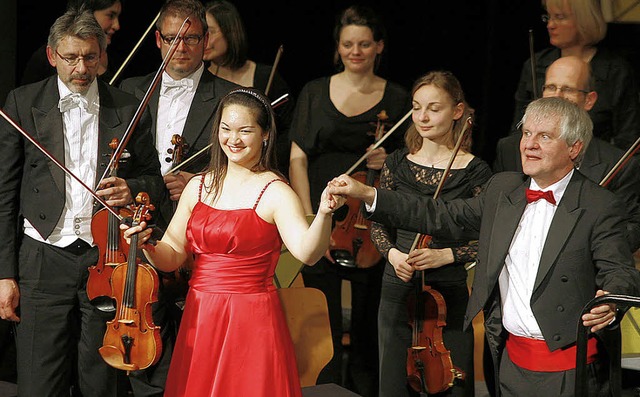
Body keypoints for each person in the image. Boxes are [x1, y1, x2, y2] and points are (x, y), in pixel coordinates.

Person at [329, 96, 640, 397]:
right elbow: (439, 214)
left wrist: (611, 303)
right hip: (508, 362)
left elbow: (620, 271)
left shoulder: (599, 205)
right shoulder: (503, 189)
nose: (529, 144)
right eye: (527, 133)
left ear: (574, 148)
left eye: (544, 136)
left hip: (568, 370)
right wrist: (370, 194)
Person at [121, 87, 345, 397]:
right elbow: (171, 255)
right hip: (200, 314)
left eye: (245, 131)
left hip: (252, 318)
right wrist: (147, 245)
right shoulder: (198, 186)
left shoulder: (275, 191)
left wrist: (323, 213)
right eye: (226, 129)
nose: (233, 139)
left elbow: (307, 253)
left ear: (265, 135)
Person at [0, 8, 163, 397]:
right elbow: (5, 193)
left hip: (105, 260)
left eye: (90, 57)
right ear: (53, 55)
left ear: (102, 53)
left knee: (101, 384)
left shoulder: (127, 107)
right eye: (71, 58)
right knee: (39, 385)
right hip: (41, 260)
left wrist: (133, 186)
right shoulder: (22, 104)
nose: (81, 68)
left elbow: (153, 182)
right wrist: (4, 273)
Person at [288, 5, 411, 395]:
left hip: (370, 223)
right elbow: (297, 157)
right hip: (324, 219)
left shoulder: (397, 97)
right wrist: (310, 215)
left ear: (379, 47)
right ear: (337, 47)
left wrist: (389, 158)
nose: (355, 51)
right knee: (321, 318)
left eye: (363, 44)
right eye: (347, 44)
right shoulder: (313, 91)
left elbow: (412, 164)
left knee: (366, 323)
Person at [118, 0, 239, 394]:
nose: (180, 47)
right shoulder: (127, 90)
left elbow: (251, 169)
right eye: (172, 38)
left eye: (190, 39)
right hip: (138, 223)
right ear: (157, 39)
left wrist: (201, 180)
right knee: (138, 330)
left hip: (199, 232)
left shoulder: (230, 98)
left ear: (206, 42)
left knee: (195, 337)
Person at [371, 71, 492, 397]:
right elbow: (378, 223)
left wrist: (447, 254)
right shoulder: (397, 163)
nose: (422, 117)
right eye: (416, 107)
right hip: (398, 289)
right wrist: (394, 255)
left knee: (453, 384)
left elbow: (492, 237)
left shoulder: (475, 171)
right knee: (393, 386)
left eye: (434, 108)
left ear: (457, 111)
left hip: (449, 293)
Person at [510, 0, 640, 150]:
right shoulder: (535, 64)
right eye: (548, 17)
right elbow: (517, 128)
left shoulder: (615, 71)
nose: (550, 25)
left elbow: (628, 137)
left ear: (584, 20)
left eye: (560, 17)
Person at [203, 0, 294, 177]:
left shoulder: (265, 76)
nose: (204, 40)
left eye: (211, 32)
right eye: (201, 33)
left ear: (230, 32)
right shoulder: (202, 82)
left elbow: (288, 134)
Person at [21, 0, 123, 85]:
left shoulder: (110, 56)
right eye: (110, 15)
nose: (117, 26)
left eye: (90, 57)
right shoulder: (43, 60)